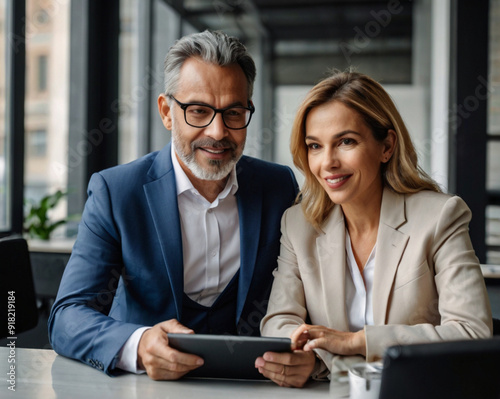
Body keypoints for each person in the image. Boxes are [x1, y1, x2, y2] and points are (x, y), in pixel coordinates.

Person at [48, 30, 298, 380]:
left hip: (250, 384)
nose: (217, 131)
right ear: (167, 112)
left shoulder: (278, 186)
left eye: (233, 112)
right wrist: (136, 344)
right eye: (198, 111)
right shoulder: (117, 192)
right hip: (145, 388)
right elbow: (68, 316)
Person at [256, 70, 493, 388]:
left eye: (346, 142)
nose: (327, 162)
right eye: (315, 146)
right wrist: (305, 355)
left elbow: (471, 332)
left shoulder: (440, 217)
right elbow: (278, 322)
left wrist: (356, 342)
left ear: (387, 146)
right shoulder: (300, 225)